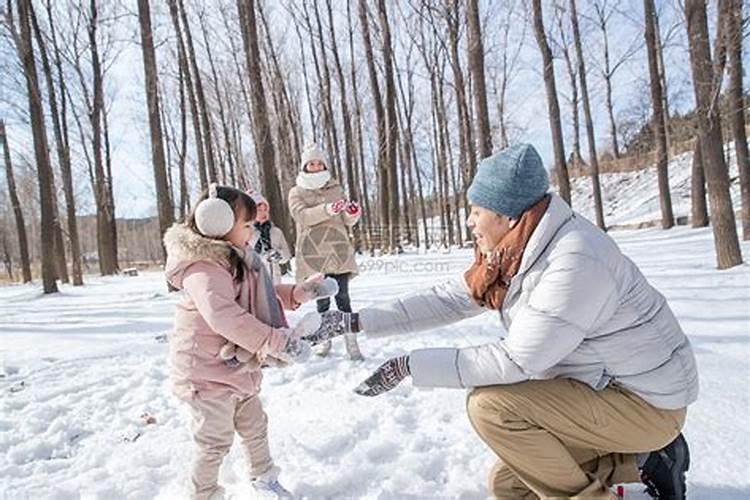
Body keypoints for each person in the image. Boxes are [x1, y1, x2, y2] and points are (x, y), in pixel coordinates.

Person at [298, 144, 699, 499]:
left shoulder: (574, 260)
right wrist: (353, 321)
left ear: (507, 215)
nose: (469, 222)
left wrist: (409, 365)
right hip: (602, 390)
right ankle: (645, 458)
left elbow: (518, 361)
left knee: (491, 408)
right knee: (510, 487)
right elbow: (445, 300)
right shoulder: (515, 254)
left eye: (476, 211)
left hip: (644, 402)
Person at [164, 184, 326, 500]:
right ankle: (204, 494)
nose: (252, 232)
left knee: (255, 427)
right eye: (247, 225)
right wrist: (274, 341)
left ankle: (264, 478)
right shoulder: (203, 267)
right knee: (214, 441)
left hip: (237, 369)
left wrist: (296, 294)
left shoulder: (238, 258)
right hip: (206, 374)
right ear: (217, 223)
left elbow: (259, 295)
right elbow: (224, 315)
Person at [288, 143, 364, 361]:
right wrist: (327, 209)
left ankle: (351, 341)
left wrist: (352, 214)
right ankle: (325, 338)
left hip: (338, 249)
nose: (316, 166)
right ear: (305, 166)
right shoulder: (296, 192)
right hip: (314, 253)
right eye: (311, 163)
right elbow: (301, 216)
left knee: (343, 297)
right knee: (322, 299)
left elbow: (345, 220)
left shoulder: (336, 189)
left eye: (319, 163)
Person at [248, 189, 292, 285]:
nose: (263, 213)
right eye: (259, 210)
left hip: (275, 280)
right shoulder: (248, 233)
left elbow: (286, 255)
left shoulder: (276, 232)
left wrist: (276, 254)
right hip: (255, 280)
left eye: (265, 210)